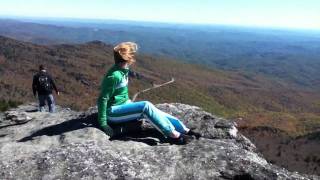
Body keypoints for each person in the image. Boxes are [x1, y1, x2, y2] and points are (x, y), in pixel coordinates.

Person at [97, 42, 201, 145]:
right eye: (132, 55)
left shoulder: (123, 70)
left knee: (154, 110)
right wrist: (103, 124)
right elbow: (102, 99)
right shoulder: (114, 76)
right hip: (112, 113)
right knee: (145, 106)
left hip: (124, 105)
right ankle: (174, 135)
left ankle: (184, 130)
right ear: (128, 58)